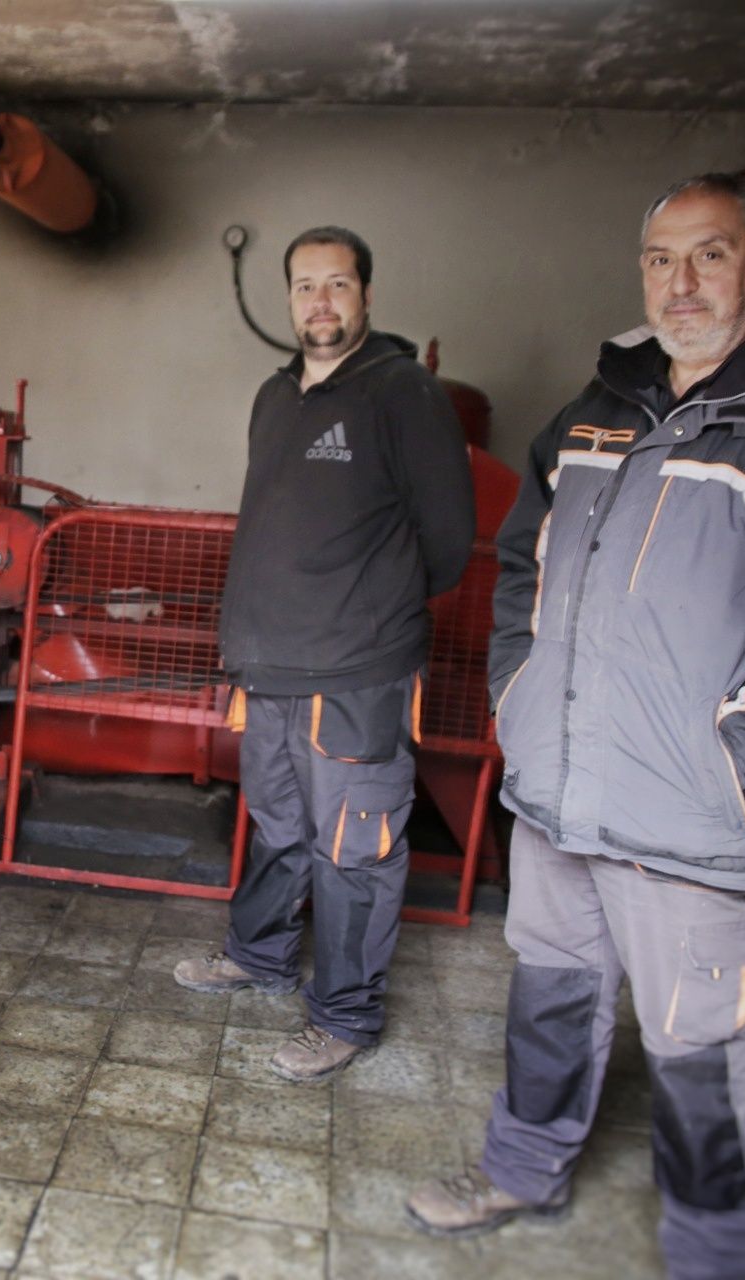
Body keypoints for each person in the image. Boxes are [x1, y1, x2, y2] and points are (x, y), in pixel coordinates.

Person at [405, 171, 745, 1278]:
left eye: (711, 254)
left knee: (702, 1053)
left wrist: (730, 762)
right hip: (557, 790)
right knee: (551, 998)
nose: (680, 282)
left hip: (693, 814)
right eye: (660, 259)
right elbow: (521, 566)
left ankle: (720, 1252)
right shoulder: (595, 410)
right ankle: (522, 1166)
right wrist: (520, 692)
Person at [174, 225, 474, 1082]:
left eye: (338, 284)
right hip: (269, 666)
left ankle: (343, 1016)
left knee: (356, 845)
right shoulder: (277, 396)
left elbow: (448, 541)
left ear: (367, 296)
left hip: (356, 671)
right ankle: (260, 955)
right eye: (306, 286)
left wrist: (366, 613)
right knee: (275, 825)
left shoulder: (404, 391)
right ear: (290, 299)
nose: (321, 302)